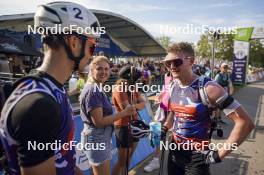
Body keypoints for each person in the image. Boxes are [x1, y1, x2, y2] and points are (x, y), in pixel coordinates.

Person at [0, 2, 100, 175]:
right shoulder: (39, 105)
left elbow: (61, 155)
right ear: (74, 42)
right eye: (92, 47)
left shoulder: (50, 88)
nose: (93, 55)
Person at [161, 42, 254, 175]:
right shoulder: (172, 86)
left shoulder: (209, 88)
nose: (171, 67)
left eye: (176, 62)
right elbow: (174, 112)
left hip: (197, 158)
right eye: (167, 63)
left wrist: (220, 154)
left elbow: (245, 122)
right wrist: (164, 128)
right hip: (174, 153)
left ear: (191, 61)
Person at [79, 56, 136, 175]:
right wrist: (124, 113)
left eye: (106, 69)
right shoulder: (93, 91)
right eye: (99, 68)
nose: (104, 72)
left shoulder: (96, 88)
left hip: (97, 137)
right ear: (92, 70)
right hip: (96, 137)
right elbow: (99, 122)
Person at [111, 66, 145, 175]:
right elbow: (127, 109)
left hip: (134, 124)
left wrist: (133, 106)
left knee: (129, 157)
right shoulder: (119, 89)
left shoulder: (132, 87)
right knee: (122, 161)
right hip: (123, 126)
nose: (136, 81)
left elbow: (143, 104)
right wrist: (136, 106)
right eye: (135, 78)